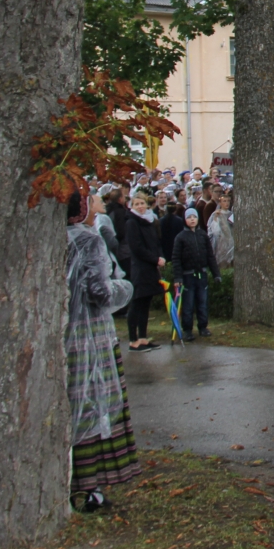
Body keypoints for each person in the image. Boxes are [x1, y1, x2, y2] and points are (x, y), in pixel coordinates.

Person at [67, 189, 141, 511]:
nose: (98, 205)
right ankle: (90, 488)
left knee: (73, 405)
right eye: (92, 200)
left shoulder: (56, 238)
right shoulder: (87, 240)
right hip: (90, 335)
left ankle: (69, 479)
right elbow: (100, 292)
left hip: (64, 333)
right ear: (82, 207)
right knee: (95, 406)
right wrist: (126, 287)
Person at [123, 192, 165, 351]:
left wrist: (160, 256)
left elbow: (156, 242)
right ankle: (133, 340)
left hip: (150, 267)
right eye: (137, 204)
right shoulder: (132, 223)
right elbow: (137, 248)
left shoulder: (149, 220)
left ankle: (143, 337)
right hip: (140, 267)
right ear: (132, 206)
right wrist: (155, 259)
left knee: (146, 303)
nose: (140, 207)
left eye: (142, 203)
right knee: (137, 302)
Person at [170, 207, 217, 338]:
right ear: (185, 220)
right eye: (189, 217)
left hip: (202, 274)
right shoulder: (180, 237)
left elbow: (210, 256)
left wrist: (216, 273)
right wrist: (178, 277)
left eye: (194, 217)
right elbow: (176, 258)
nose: (192, 220)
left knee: (202, 302)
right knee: (188, 304)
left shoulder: (203, 235)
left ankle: (203, 326)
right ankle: (187, 329)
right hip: (187, 275)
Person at [207, 189, 235, 271]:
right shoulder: (216, 214)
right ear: (220, 203)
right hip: (221, 243)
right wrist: (216, 219)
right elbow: (214, 230)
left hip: (231, 241)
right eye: (224, 201)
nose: (226, 203)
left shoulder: (231, 214)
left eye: (228, 201)